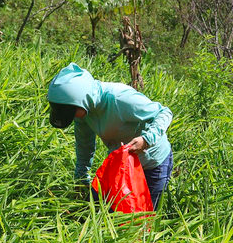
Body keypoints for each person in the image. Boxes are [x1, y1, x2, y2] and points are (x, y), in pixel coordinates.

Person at [47, 63, 174, 210]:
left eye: (71, 111)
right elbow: (84, 145)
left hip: (152, 164)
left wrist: (146, 140)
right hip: (120, 165)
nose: (73, 117)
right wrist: (81, 178)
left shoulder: (119, 98)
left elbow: (164, 113)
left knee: (141, 218)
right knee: (95, 210)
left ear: (83, 100)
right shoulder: (83, 112)